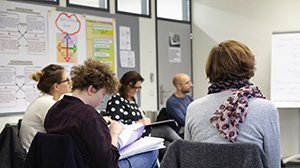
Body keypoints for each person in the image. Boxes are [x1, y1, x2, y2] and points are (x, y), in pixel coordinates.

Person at [44, 59, 158, 168]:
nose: (103, 100)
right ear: (91, 89)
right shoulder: (90, 116)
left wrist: (99, 126)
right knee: (152, 152)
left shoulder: (54, 110)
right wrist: (114, 133)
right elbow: (109, 164)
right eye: (103, 94)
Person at [185, 40, 280, 168]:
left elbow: (188, 160)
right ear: (248, 66)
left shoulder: (194, 108)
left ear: (211, 69)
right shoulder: (266, 109)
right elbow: (273, 164)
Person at [105, 71, 181, 161]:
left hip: (140, 132)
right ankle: (188, 148)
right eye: (134, 87)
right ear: (125, 85)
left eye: (138, 88)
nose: (136, 90)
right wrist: (137, 122)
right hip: (131, 135)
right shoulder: (116, 100)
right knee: (166, 130)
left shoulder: (131, 100)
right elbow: (115, 123)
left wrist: (144, 121)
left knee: (167, 145)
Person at [19, 64, 70, 151]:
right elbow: (65, 132)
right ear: (56, 86)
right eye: (66, 80)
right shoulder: (49, 105)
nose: (69, 82)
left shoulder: (42, 100)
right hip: (36, 158)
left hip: (34, 154)